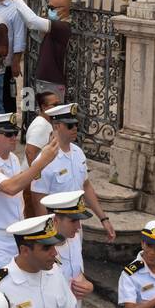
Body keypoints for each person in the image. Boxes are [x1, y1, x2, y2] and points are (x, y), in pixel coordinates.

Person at [0, 112, 58, 280]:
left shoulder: (12, 158)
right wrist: (41, 162)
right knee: (1, 288)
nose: (14, 138)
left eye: (15, 133)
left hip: (16, 234)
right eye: (8, 134)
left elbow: (21, 185)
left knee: (20, 284)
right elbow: (11, 188)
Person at [29, 103, 116, 242]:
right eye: (69, 125)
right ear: (56, 126)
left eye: (76, 124)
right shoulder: (44, 160)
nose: (75, 128)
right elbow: (38, 200)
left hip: (75, 226)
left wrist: (103, 218)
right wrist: (49, 236)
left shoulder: (78, 153)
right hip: (57, 229)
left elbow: (86, 186)